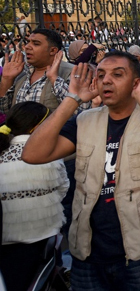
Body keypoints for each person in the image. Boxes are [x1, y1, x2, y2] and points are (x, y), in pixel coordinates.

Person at [21, 52, 140, 290]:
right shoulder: (84, 121)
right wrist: (72, 99)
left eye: (118, 75)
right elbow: (32, 154)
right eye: (101, 75)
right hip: (89, 252)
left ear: (135, 82)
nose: (106, 80)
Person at [0, 102, 68, 291]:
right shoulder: (48, 155)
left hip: (6, 242)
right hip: (43, 240)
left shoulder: (1, 152)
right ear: (38, 127)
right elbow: (63, 189)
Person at [0, 29, 75, 113]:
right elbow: (4, 110)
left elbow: (77, 109)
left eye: (36, 44)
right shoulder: (22, 74)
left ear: (53, 50)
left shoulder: (71, 73)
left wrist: (55, 80)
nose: (27, 47)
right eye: (28, 42)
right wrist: (7, 79)